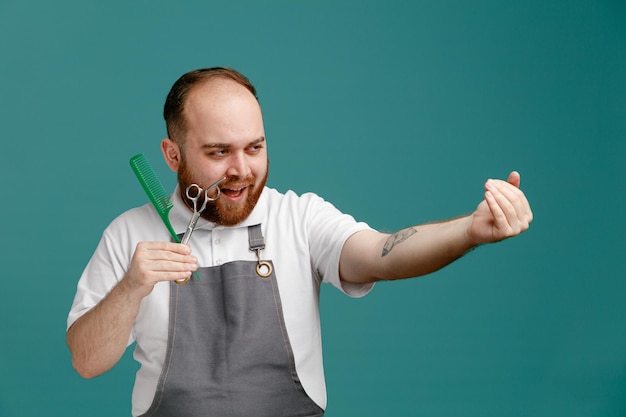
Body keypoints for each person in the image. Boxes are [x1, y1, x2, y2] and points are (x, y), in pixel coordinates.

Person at [66, 67, 533, 417]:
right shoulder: (129, 233)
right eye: (218, 152)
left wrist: (469, 230)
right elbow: (86, 361)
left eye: (254, 147)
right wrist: (131, 286)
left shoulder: (299, 217)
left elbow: (384, 254)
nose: (241, 170)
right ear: (173, 155)